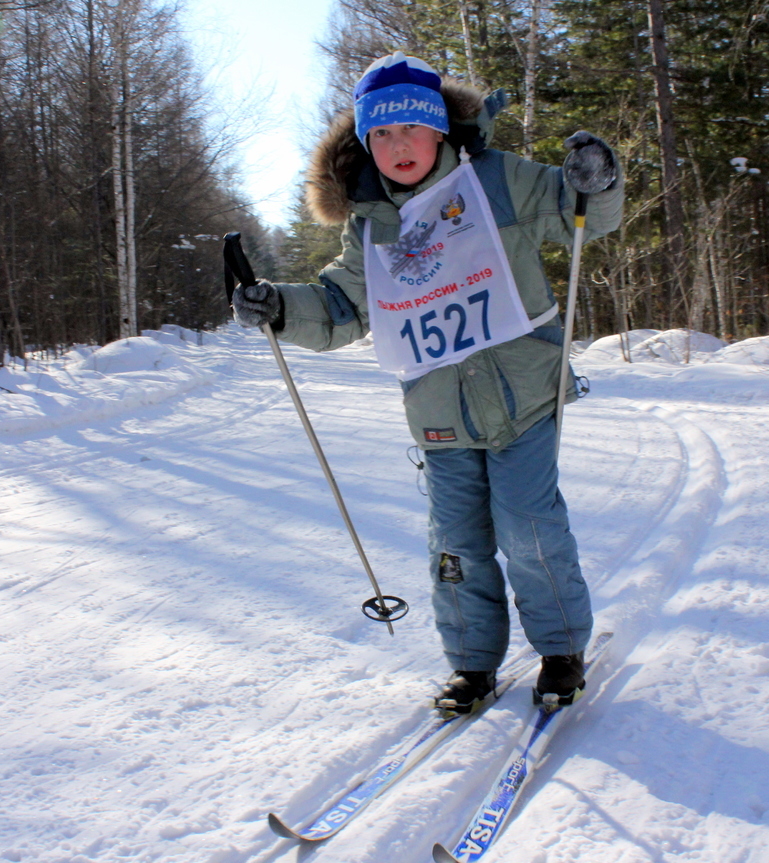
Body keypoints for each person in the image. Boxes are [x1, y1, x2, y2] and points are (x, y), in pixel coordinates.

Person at [232, 52, 623, 712]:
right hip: (440, 413)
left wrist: (599, 177)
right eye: (380, 134)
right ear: (366, 145)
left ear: (439, 128)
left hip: (524, 394)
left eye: (410, 128)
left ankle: (560, 650)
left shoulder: (495, 182)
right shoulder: (371, 224)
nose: (397, 146)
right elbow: (341, 308)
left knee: (528, 526)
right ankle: (472, 663)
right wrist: (279, 306)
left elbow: (580, 210)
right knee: (456, 545)